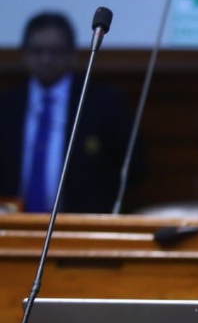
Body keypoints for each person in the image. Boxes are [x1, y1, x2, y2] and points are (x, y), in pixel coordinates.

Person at [0, 12, 139, 213]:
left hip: (82, 219)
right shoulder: (7, 104)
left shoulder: (104, 103)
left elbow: (133, 167)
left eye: (55, 51)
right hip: (11, 222)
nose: (46, 59)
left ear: (72, 54)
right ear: (24, 54)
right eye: (38, 51)